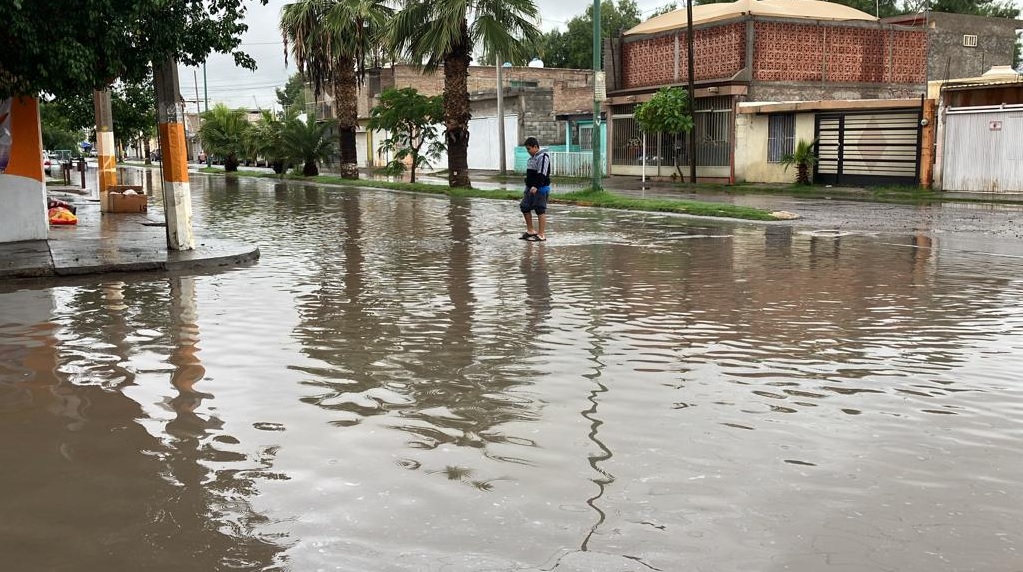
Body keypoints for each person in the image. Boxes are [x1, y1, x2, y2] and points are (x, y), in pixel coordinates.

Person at [519, 136, 551, 242]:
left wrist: (536, 186)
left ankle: (541, 234)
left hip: (541, 188)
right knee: (524, 206)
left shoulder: (543, 157)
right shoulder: (532, 158)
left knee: (540, 209)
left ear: (535, 147)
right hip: (529, 188)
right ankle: (531, 230)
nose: (528, 151)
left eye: (529, 149)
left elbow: (542, 174)